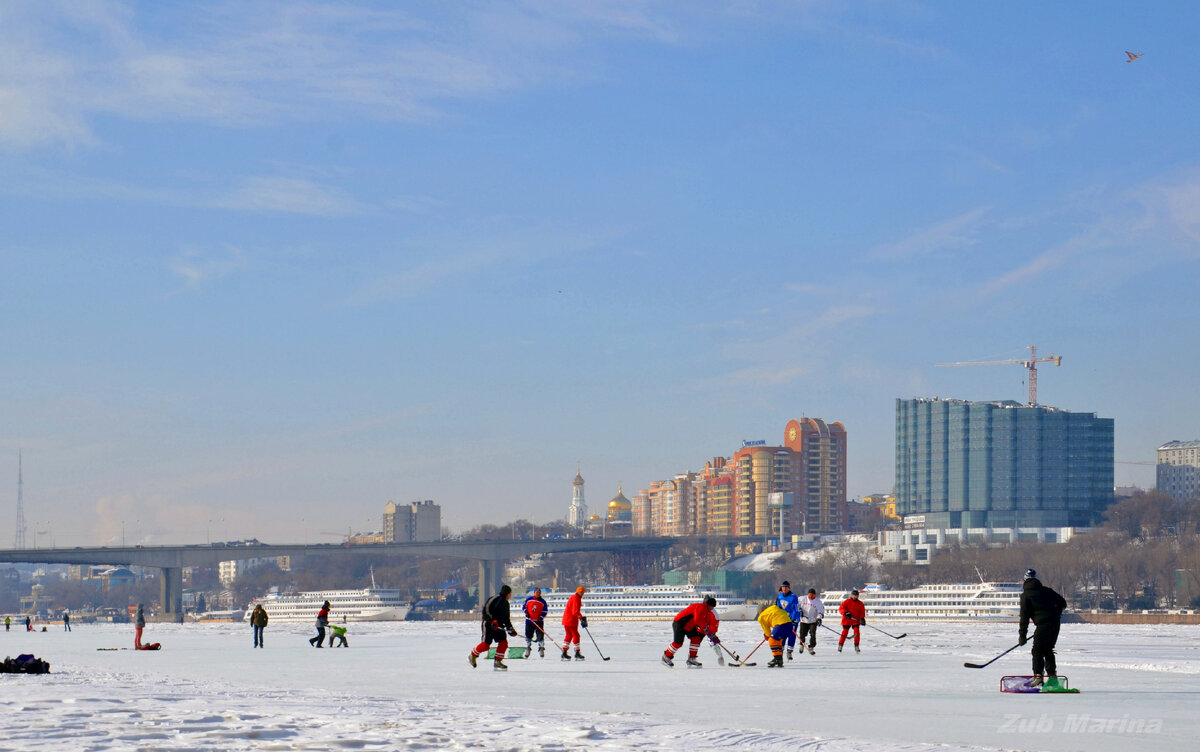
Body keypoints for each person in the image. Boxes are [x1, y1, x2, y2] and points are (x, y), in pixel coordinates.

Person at [1018, 568, 1067, 688]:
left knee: (1037, 650)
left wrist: (1022, 636)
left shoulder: (1025, 596)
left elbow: (1024, 618)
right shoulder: (1047, 591)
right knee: (1048, 649)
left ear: (1025, 581)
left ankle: (1038, 677)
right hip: (1055, 623)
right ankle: (1052, 678)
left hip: (1043, 624)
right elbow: (1063, 603)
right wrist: (1056, 613)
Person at [469, 584, 518, 670]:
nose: (510, 596)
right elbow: (486, 611)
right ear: (507, 593)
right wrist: (492, 620)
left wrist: (510, 629)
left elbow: (506, 619)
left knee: (503, 643)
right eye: (510, 594)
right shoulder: (494, 599)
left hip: (499, 626)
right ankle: (473, 655)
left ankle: (497, 661)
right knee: (485, 645)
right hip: (488, 625)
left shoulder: (506, 604)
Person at [662, 595, 720, 668]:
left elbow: (703, 625)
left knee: (696, 638)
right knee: (678, 643)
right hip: (680, 623)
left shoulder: (707, 611)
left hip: (689, 626)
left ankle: (691, 659)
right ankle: (666, 657)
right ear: (708, 605)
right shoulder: (701, 607)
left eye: (713, 607)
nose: (712, 608)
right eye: (711, 606)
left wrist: (712, 635)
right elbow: (698, 620)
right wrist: (707, 631)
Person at [757, 603, 796, 668]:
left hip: (781, 624)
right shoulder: (774, 607)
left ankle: (777, 658)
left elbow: (767, 631)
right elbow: (783, 612)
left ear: (760, 611)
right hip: (789, 625)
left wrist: (767, 636)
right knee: (778, 641)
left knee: (771, 641)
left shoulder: (761, 616)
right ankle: (779, 659)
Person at [776, 581, 801, 660]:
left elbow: (795, 609)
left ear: (789, 588)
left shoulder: (793, 597)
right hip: (783, 619)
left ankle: (789, 651)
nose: (784, 588)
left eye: (786, 587)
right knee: (782, 635)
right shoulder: (780, 596)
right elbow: (778, 608)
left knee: (791, 635)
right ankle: (781, 650)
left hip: (793, 619)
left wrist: (793, 620)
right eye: (783, 587)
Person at [561, 586, 587, 661]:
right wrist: (581, 618)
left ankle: (564, 652)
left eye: (583, 592)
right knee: (576, 635)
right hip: (571, 620)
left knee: (569, 635)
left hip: (567, 620)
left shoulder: (574, 597)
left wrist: (581, 618)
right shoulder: (576, 598)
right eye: (581, 592)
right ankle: (577, 652)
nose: (582, 593)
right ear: (578, 592)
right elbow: (575, 611)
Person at [522, 588, 549, 658]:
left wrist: (540, 617)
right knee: (528, 635)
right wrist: (526, 612)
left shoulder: (543, 602)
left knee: (540, 636)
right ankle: (528, 647)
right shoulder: (529, 599)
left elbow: (545, 612)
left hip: (538, 622)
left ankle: (541, 648)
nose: (538, 594)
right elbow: (524, 607)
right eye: (537, 592)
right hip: (529, 621)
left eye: (539, 592)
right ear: (534, 593)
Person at [798, 588, 825, 655]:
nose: (811, 597)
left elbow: (821, 611)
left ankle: (811, 647)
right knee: (802, 634)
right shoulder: (802, 599)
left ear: (814, 595)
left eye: (812, 595)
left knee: (812, 634)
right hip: (804, 620)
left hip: (813, 620)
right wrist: (799, 611)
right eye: (810, 595)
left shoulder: (818, 602)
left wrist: (819, 618)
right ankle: (802, 644)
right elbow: (796, 606)